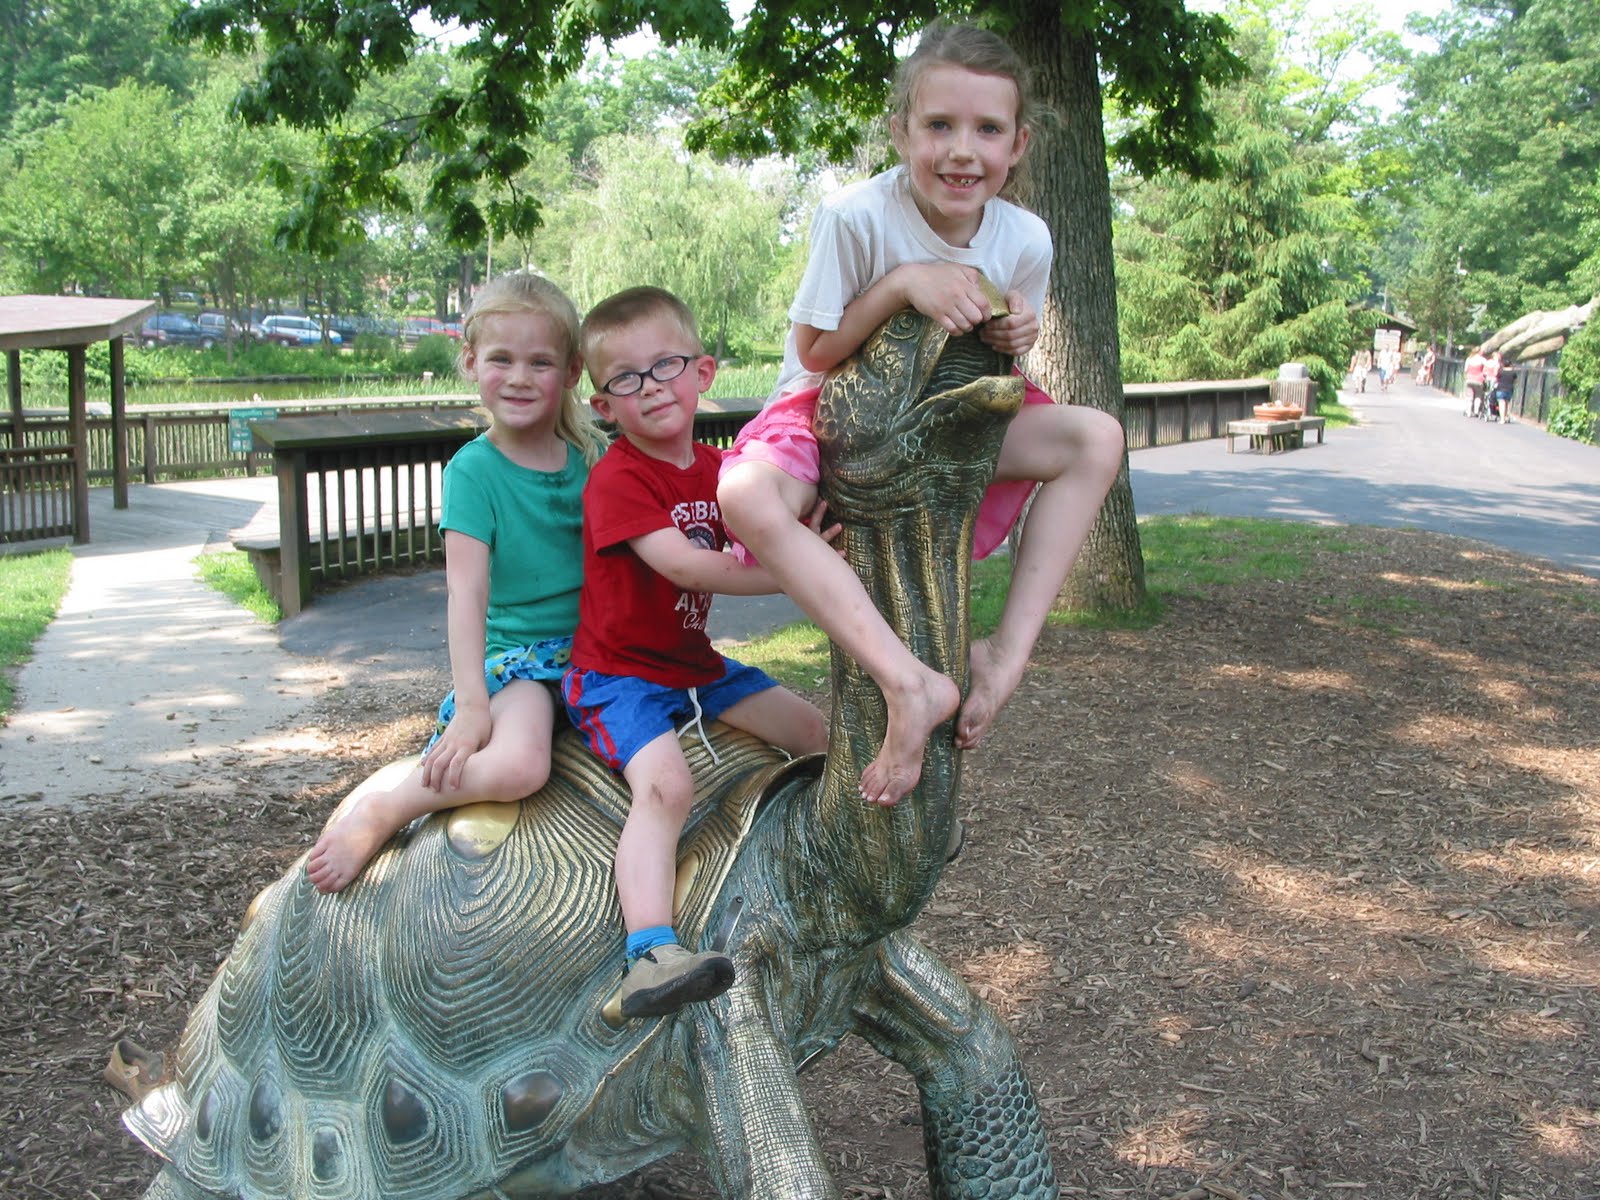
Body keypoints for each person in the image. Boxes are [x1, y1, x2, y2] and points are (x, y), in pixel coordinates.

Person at [716, 21, 1124, 808]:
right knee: (744, 496)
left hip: (944, 419)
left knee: (1097, 437)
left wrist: (1018, 333)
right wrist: (903, 282)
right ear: (901, 130)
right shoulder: (856, 217)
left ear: (1019, 144)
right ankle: (907, 682)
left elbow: (1008, 366)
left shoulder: (1025, 237)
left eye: (987, 130)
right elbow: (815, 348)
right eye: (939, 125)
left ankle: (1005, 654)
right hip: (825, 402)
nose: (961, 151)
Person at [562, 286, 830, 1019]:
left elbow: (790, 501)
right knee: (667, 789)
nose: (649, 388)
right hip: (620, 676)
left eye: (665, 366)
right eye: (625, 378)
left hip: (695, 667)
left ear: (703, 372)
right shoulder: (616, 479)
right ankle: (650, 951)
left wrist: (815, 526)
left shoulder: (725, 468)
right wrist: (794, 565)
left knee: (816, 734)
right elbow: (683, 565)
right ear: (602, 404)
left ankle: (842, 857)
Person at [305, 273, 608, 893]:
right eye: (502, 358)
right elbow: (466, 596)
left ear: (573, 371)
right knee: (521, 764)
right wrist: (473, 706)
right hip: (527, 660)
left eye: (540, 361)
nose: (520, 377)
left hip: (600, 650)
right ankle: (390, 806)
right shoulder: (474, 472)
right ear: (471, 362)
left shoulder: (593, 458)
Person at [1463, 344, 1490, 416]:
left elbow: (1465, 370)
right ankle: (1476, 411)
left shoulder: (1469, 359)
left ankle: (1468, 412)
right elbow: (1488, 366)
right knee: (1478, 396)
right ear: (1479, 352)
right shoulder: (1482, 359)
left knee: (1469, 396)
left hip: (1469, 379)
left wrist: (1466, 377)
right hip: (1479, 379)